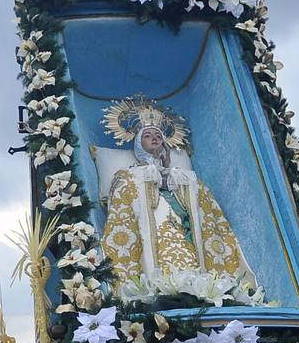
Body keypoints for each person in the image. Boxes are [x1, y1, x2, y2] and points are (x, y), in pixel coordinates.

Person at [100, 97, 258, 297]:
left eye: (158, 135)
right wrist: (148, 177)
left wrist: (171, 173)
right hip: (150, 231)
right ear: (139, 144)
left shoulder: (181, 176)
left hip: (182, 230)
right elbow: (121, 202)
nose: (154, 138)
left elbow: (201, 205)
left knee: (190, 262)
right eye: (147, 136)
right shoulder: (128, 175)